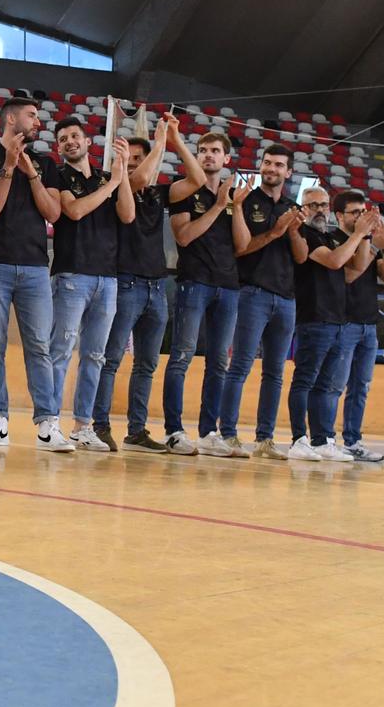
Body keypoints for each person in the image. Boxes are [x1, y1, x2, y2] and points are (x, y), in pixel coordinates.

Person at [91, 116, 206, 452]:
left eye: (143, 159)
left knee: (147, 364)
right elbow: (138, 177)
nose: (137, 164)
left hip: (157, 287)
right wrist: (158, 145)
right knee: (111, 358)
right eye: (131, 158)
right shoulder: (113, 186)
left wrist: (176, 140)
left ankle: (137, 430)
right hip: (125, 283)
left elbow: (197, 179)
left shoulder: (158, 193)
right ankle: (99, 425)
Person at [0, 96, 72, 451]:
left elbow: (53, 214)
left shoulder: (45, 163)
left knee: (40, 348)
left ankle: (47, 424)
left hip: (35, 269)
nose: (38, 121)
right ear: (11, 119)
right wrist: (9, 167)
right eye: (31, 115)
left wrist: (31, 174)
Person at [218, 143, 307, 459]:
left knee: (275, 373)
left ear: (288, 171)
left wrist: (293, 231)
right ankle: (227, 434)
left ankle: (265, 439)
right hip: (251, 293)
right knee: (240, 365)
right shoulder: (244, 201)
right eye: (267, 163)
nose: (272, 169)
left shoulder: (293, 206)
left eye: (279, 165)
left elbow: (302, 257)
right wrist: (275, 231)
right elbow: (239, 249)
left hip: (286, 299)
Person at [47, 120, 132, 450]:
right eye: (63, 139)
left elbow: (126, 215)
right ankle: (50, 422)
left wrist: (121, 174)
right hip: (72, 274)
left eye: (74, 136)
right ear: (58, 147)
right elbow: (75, 210)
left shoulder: (104, 177)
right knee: (61, 351)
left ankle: (83, 426)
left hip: (107, 278)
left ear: (87, 141)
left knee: (95, 355)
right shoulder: (58, 175)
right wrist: (111, 185)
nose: (70, 142)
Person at [164, 131, 240, 456]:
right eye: (202, 151)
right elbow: (184, 237)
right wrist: (218, 206)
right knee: (181, 355)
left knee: (219, 362)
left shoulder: (234, 196)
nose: (208, 155)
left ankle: (209, 432)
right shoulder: (183, 190)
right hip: (194, 281)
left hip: (229, 285)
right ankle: (174, 431)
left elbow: (241, 245)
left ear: (227, 159)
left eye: (215, 151)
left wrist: (232, 206)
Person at [284, 187, 372, 461]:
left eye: (323, 204)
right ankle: (299, 438)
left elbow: (355, 269)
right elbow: (335, 262)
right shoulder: (305, 235)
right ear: (303, 209)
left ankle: (322, 440)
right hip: (314, 318)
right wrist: (358, 233)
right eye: (313, 205)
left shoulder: (329, 237)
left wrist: (366, 235)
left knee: (325, 385)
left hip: (337, 321)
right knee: (305, 381)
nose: (320, 210)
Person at [335, 193, 384, 462]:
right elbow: (351, 274)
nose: (361, 217)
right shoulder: (337, 241)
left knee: (360, 387)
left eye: (363, 212)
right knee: (334, 385)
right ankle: (324, 438)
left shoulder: (368, 242)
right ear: (339, 216)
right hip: (342, 321)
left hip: (368, 323)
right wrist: (371, 244)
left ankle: (352, 441)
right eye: (354, 213)